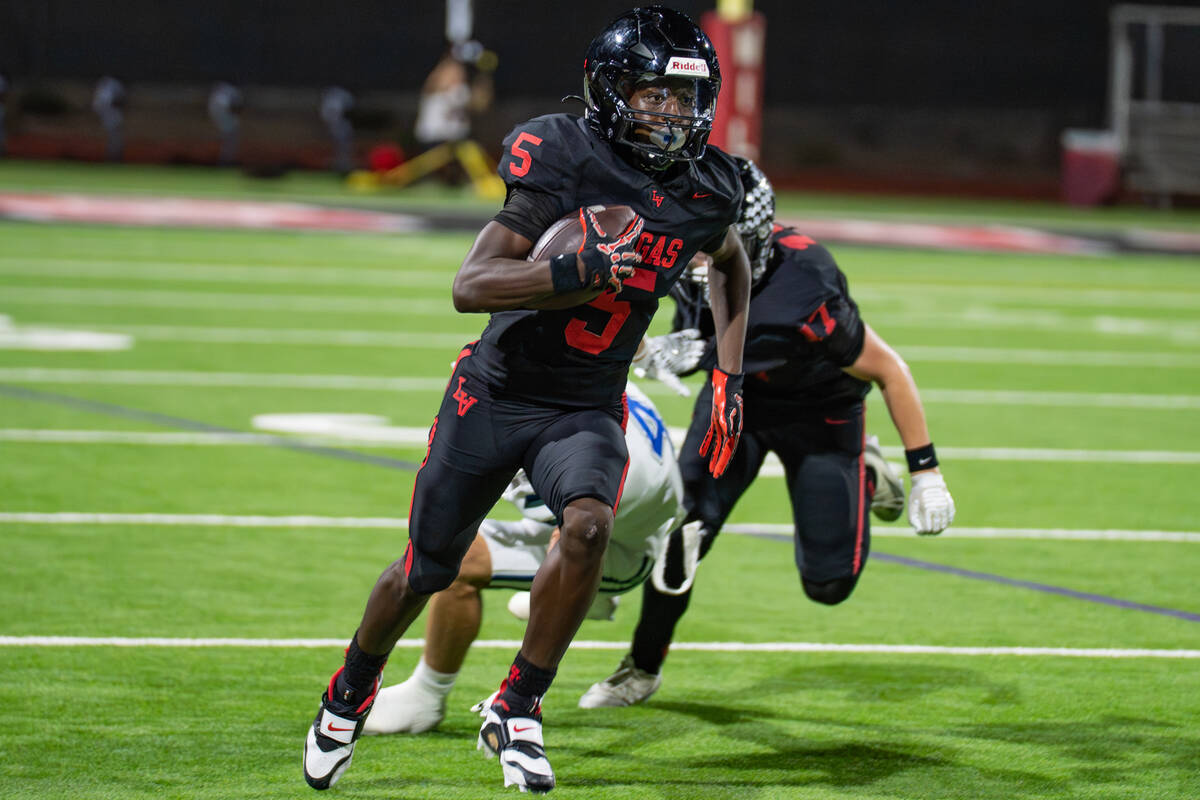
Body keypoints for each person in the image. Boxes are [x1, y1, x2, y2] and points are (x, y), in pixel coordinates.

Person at [302, 7, 751, 794]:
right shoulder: (563, 153)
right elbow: (469, 286)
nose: (672, 115)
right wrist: (572, 275)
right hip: (497, 394)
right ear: (612, 92)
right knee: (425, 570)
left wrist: (728, 377)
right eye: (653, 96)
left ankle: (518, 706)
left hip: (586, 405)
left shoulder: (707, 186)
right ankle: (348, 695)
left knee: (586, 526)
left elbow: (731, 263)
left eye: (685, 99)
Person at [579, 156, 957, 709]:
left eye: (714, 243)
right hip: (736, 406)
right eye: (698, 239)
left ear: (752, 237)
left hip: (819, 411)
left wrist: (926, 472)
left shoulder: (805, 279)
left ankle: (869, 472)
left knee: (828, 584)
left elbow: (888, 369)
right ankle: (642, 666)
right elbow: (638, 326)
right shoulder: (684, 256)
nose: (701, 259)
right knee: (683, 534)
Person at [360, 381, 690, 736]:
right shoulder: (588, 389)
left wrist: (522, 688)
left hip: (623, 548)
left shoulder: (595, 461)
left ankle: (525, 694)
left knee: (562, 562)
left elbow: (568, 548)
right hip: (627, 503)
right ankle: (425, 696)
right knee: (459, 557)